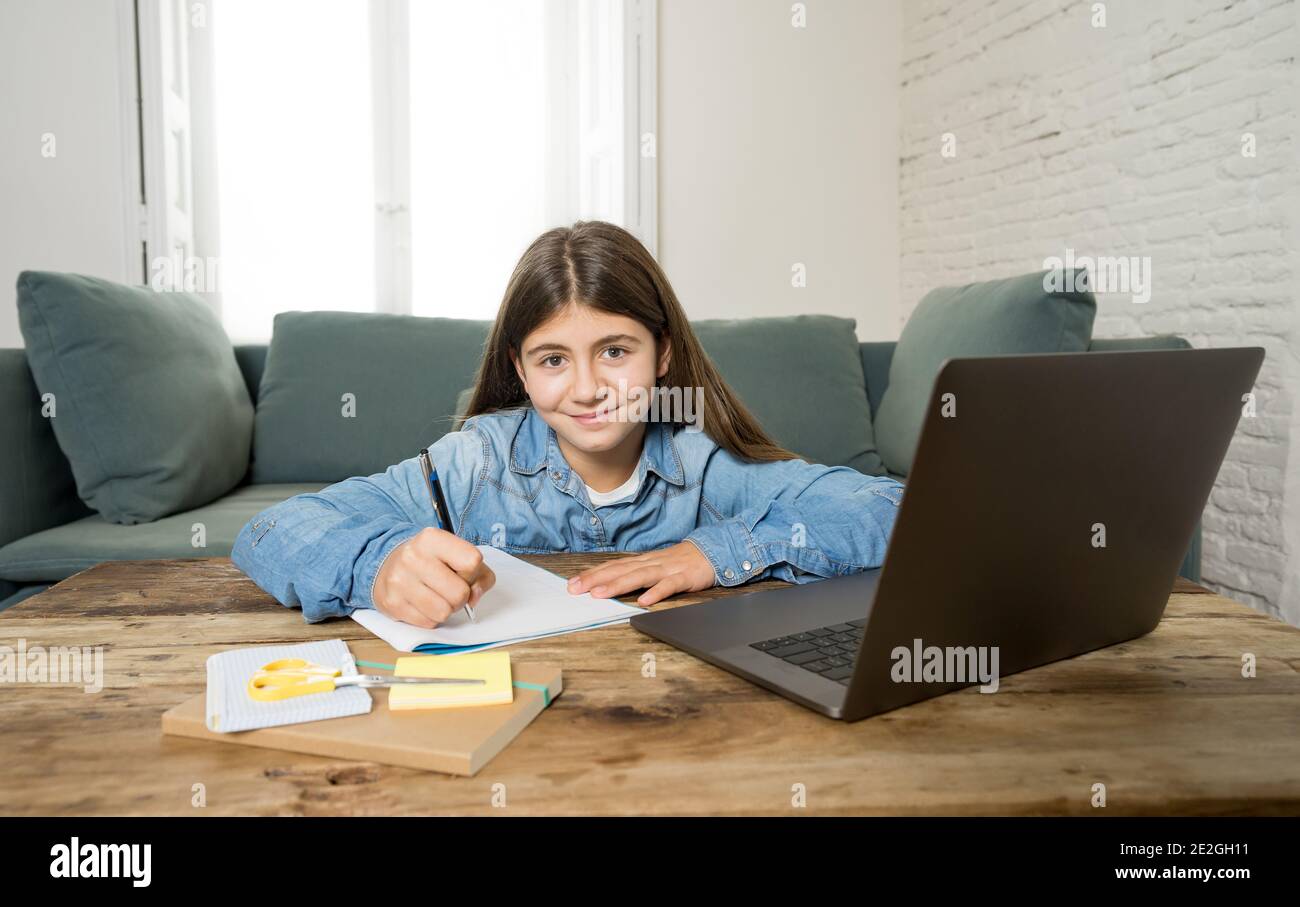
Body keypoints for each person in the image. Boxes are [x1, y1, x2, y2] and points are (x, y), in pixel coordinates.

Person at [231, 221, 905, 626]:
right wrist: (377, 565)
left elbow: (900, 509)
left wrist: (717, 551)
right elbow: (269, 529)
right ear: (520, 371)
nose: (587, 389)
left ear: (662, 352)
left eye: (615, 351)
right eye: (554, 358)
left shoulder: (707, 466)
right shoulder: (470, 467)